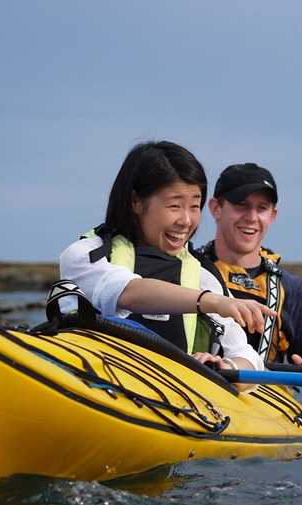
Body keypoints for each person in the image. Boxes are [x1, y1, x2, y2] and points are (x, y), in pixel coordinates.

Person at [59, 141, 276, 378]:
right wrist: (212, 302)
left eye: (194, 206)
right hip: (98, 382)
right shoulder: (86, 255)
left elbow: (248, 356)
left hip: (174, 402)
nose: (186, 220)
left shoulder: (203, 275)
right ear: (136, 202)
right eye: (174, 206)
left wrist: (224, 367)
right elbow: (127, 291)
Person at [195, 163, 302, 403]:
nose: (252, 217)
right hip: (195, 390)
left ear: (272, 215)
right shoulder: (188, 270)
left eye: (261, 208)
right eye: (240, 205)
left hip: (261, 407)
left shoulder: (292, 289)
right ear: (216, 208)